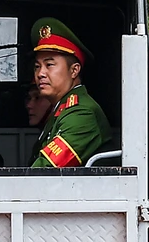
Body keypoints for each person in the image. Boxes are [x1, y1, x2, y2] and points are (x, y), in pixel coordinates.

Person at [29, 19, 110, 167]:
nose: (40, 73)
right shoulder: (62, 109)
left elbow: (44, 172)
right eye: (37, 66)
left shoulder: (82, 114)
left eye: (49, 65)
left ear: (74, 70)